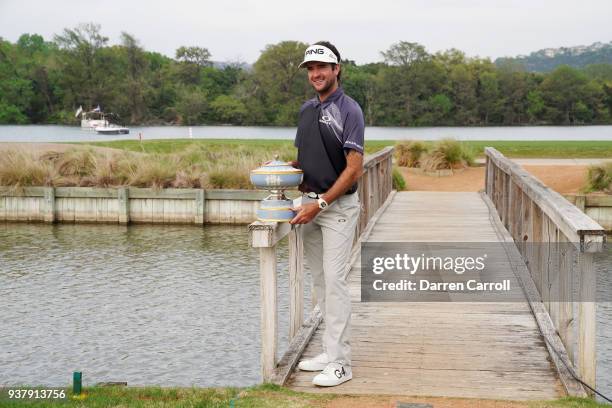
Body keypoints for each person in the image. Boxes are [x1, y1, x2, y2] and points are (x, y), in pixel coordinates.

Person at [290, 41, 364, 387]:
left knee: (334, 284)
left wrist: (321, 204)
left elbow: (354, 168)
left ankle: (341, 364)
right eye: (310, 69)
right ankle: (328, 350)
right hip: (310, 207)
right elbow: (305, 162)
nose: (316, 74)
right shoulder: (306, 111)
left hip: (335, 209)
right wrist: (280, 169)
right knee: (321, 283)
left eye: (322, 67)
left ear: (337, 69)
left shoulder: (350, 110)